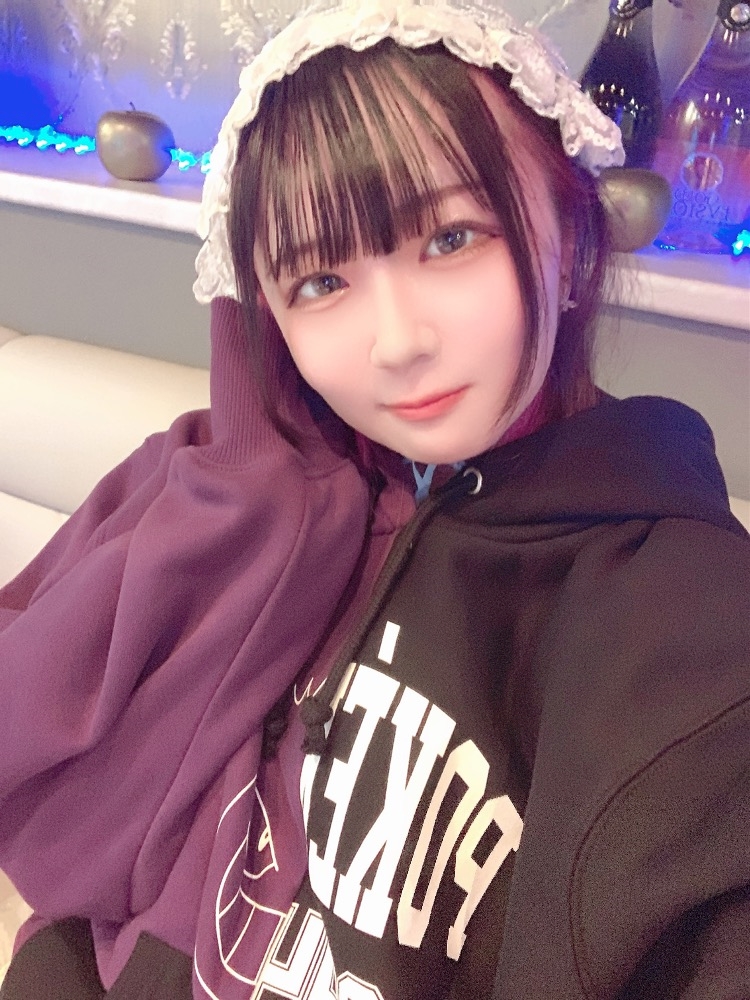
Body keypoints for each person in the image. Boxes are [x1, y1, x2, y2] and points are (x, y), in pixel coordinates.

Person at [1, 2, 748, 998]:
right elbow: (82, 890)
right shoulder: (272, 519)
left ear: (571, 238)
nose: (397, 343)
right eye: (319, 282)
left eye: (451, 238)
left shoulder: (685, 622)